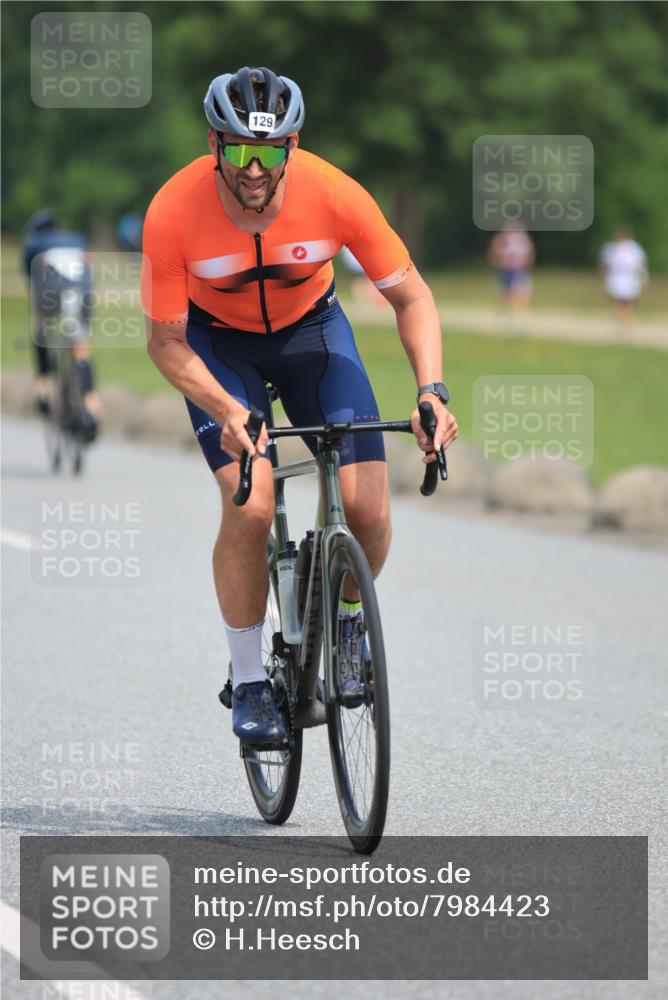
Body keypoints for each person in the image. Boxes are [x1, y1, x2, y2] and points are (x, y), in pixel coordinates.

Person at [141, 66, 457, 745]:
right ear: (214, 143)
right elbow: (165, 342)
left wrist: (431, 390)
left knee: (368, 509)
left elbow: (413, 297)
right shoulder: (173, 210)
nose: (255, 168)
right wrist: (225, 407)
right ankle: (250, 679)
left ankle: (345, 624)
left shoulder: (334, 194)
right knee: (250, 507)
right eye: (239, 150)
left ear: (294, 145)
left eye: (272, 150)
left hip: (313, 333)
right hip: (217, 346)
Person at [22, 209, 99, 440]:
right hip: (80, 292)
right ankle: (92, 404)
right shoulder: (76, 239)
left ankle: (43, 389)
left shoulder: (34, 244)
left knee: (41, 330)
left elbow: (32, 283)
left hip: (49, 292)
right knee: (80, 346)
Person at [599, 228, 648, 330]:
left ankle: (627, 322)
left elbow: (639, 263)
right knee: (617, 300)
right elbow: (605, 263)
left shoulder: (634, 248)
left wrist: (641, 276)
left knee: (628, 301)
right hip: (616, 276)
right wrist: (603, 275)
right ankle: (620, 321)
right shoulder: (610, 247)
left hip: (630, 277)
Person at [487, 221, 535, 320]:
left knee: (521, 292)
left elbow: (529, 253)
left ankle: (516, 314)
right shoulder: (504, 240)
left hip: (519, 269)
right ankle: (509, 314)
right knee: (510, 293)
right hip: (509, 269)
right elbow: (496, 253)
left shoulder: (522, 240)